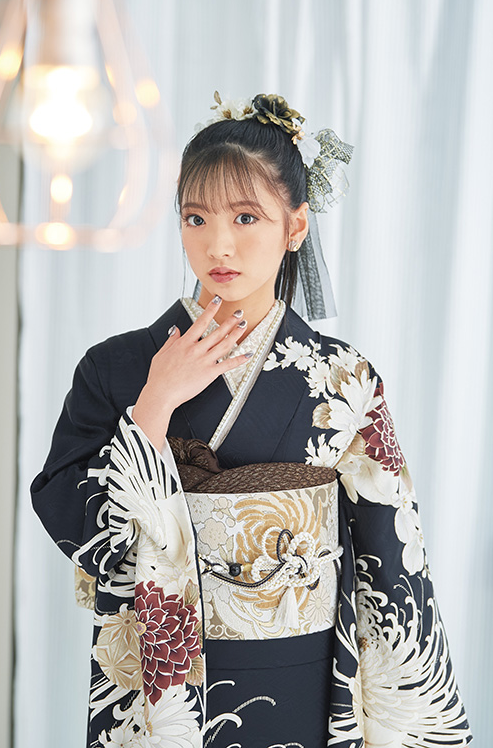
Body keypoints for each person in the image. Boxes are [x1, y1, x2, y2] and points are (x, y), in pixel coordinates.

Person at [32, 93, 472, 748]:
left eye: (246, 217)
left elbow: (392, 561)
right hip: (162, 673)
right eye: (196, 217)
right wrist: (154, 403)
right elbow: (74, 525)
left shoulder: (344, 378)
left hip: (304, 673)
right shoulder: (115, 368)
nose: (218, 244)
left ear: (295, 226)